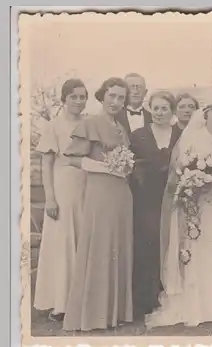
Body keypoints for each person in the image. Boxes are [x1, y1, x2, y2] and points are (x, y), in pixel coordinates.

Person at [145, 98, 212, 328]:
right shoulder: (194, 137)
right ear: (206, 114)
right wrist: (200, 179)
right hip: (202, 201)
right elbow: (182, 170)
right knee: (203, 247)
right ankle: (203, 304)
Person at [62, 77, 134, 331]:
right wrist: (106, 168)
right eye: (112, 96)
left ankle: (113, 313)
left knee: (117, 247)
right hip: (100, 191)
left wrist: (123, 168)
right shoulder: (90, 122)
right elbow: (72, 158)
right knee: (100, 248)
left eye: (121, 98)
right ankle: (94, 314)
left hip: (121, 193)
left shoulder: (120, 127)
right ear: (102, 96)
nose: (116, 102)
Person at [33, 79, 88, 322]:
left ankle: (82, 301)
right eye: (74, 96)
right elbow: (46, 164)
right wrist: (50, 199)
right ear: (64, 99)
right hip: (63, 187)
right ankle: (59, 304)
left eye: (82, 96)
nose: (78, 101)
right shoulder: (54, 126)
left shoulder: (89, 124)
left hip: (87, 187)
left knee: (83, 241)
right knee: (64, 242)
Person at [129, 91, 183, 319]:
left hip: (174, 196)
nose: (160, 113)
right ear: (150, 108)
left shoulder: (180, 133)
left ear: (172, 111)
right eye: (156, 108)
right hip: (146, 197)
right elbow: (131, 165)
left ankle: (170, 295)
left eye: (164, 109)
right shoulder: (139, 134)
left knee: (173, 243)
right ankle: (146, 298)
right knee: (148, 244)